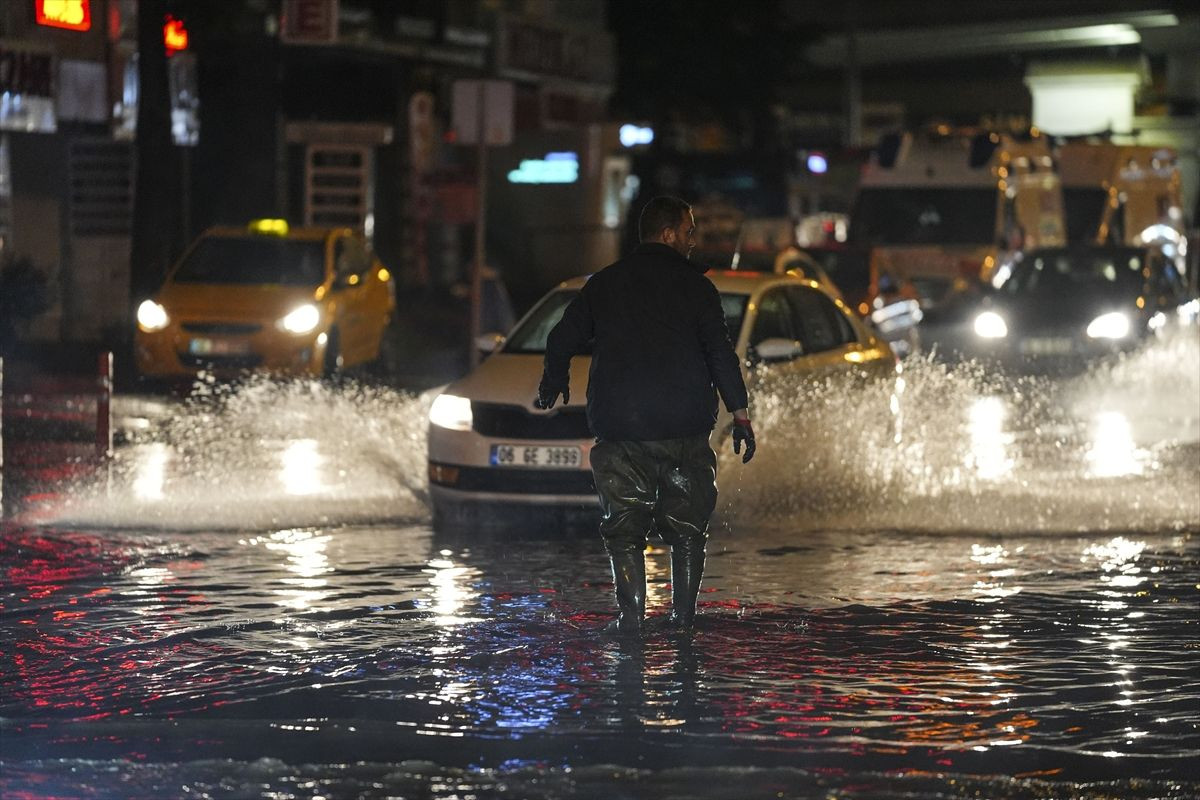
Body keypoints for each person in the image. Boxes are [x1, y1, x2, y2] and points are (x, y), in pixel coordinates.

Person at [534, 195, 756, 635]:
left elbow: (561, 338)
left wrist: (552, 381)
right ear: (669, 233)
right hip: (683, 429)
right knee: (688, 530)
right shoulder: (697, 288)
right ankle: (683, 624)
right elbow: (719, 355)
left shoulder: (605, 283)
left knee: (624, 530)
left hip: (621, 428)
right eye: (689, 231)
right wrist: (740, 413)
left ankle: (630, 623)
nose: (693, 241)